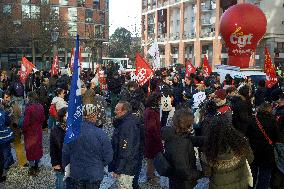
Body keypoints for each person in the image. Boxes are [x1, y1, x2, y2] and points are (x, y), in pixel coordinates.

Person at [62, 104, 113, 189]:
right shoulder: (100, 134)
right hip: (94, 174)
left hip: (77, 173)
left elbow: (65, 154)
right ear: (94, 115)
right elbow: (108, 156)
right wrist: (99, 164)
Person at [201, 115, 254, 189]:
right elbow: (250, 159)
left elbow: (207, 173)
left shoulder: (208, 152)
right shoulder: (241, 143)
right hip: (241, 183)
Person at [161, 108, 204, 189]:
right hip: (182, 183)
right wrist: (202, 173)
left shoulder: (175, 133)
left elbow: (190, 139)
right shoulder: (179, 144)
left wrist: (209, 139)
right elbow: (184, 172)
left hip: (175, 179)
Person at [109, 101, 141, 189]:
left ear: (124, 111)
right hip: (128, 164)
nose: (114, 111)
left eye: (117, 110)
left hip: (126, 167)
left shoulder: (127, 126)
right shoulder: (129, 121)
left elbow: (125, 149)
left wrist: (118, 169)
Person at [246, 102, 278, 189]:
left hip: (253, 151)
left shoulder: (252, 119)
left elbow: (247, 134)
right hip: (267, 152)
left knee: (252, 173)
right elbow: (276, 136)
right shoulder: (273, 120)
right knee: (265, 175)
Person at [22, 91, 45, 176]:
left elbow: (26, 122)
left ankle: (32, 168)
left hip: (30, 132)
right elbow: (43, 119)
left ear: (30, 98)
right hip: (38, 131)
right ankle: (37, 166)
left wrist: (23, 130)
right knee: (38, 148)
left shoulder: (29, 108)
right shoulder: (41, 106)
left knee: (30, 150)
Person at [144, 92, 163, 184]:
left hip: (152, 138)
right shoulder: (151, 111)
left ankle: (152, 174)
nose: (160, 101)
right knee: (151, 159)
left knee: (152, 158)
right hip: (152, 140)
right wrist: (158, 139)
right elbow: (152, 128)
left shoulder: (151, 110)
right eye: (159, 99)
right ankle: (150, 176)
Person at [50, 107, 67, 189]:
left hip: (73, 163)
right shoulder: (55, 129)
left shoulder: (75, 128)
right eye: (66, 115)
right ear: (62, 117)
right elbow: (52, 148)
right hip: (60, 162)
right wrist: (55, 163)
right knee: (60, 184)